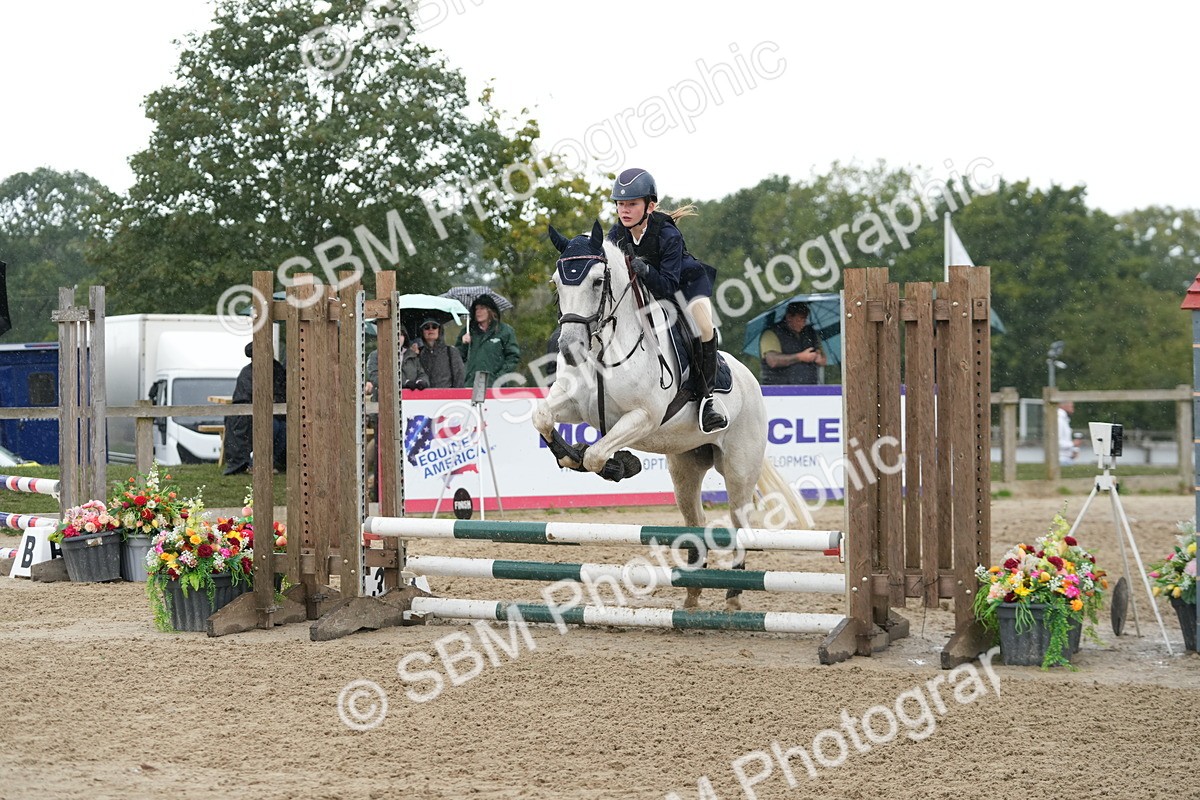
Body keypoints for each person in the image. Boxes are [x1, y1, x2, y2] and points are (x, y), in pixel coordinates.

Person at [607, 167, 727, 433]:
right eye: (620, 204)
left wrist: (646, 270)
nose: (624, 210)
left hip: (686, 287)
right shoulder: (616, 235)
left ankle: (707, 400)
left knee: (703, 328)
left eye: (632, 204)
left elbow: (669, 287)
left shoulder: (668, 235)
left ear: (650, 206)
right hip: (648, 291)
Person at [223, 342, 287, 475]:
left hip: (275, 413)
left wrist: (274, 400)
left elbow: (282, 391)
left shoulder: (277, 369)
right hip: (249, 416)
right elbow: (245, 398)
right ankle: (255, 463)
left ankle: (271, 461)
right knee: (271, 426)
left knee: (284, 427)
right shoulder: (247, 373)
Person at [457, 294, 520, 388]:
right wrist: (464, 344)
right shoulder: (467, 331)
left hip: (495, 387)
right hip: (470, 385)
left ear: (491, 310)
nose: (478, 311)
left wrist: (499, 378)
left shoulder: (505, 331)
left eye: (482, 308)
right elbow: (457, 359)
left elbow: (513, 357)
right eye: (476, 309)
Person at [759, 301, 828, 385]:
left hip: (809, 387)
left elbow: (823, 359)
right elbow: (773, 361)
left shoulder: (811, 332)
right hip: (779, 388)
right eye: (799, 320)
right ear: (789, 317)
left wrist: (819, 357)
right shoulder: (771, 333)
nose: (802, 324)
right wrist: (800, 357)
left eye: (804, 320)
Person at [365, 329, 429, 399]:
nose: (398, 337)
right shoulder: (376, 355)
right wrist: (403, 383)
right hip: (385, 399)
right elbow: (375, 378)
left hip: (410, 399)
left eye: (401, 334)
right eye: (394, 333)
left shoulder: (412, 355)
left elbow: (422, 374)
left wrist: (421, 381)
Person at [416, 318, 465, 388]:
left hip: (446, 394)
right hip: (424, 394)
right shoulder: (418, 353)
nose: (431, 329)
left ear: (439, 330)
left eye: (434, 327)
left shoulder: (451, 352)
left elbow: (459, 379)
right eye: (426, 327)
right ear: (422, 332)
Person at [1059, 401, 1079, 466]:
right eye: (1071, 406)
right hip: (1061, 460)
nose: (1073, 408)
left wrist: (1073, 451)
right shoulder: (1059, 420)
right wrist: (1073, 444)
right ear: (1063, 406)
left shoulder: (1064, 419)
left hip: (1065, 458)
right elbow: (1056, 442)